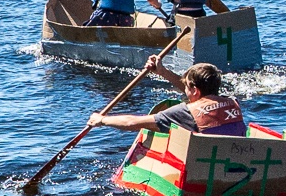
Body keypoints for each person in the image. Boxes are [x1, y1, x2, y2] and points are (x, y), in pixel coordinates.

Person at [87, 56, 246, 136]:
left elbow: (132, 122)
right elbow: (195, 94)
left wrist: (102, 120)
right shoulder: (232, 102)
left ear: (195, 90)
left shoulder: (184, 113)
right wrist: (162, 71)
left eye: (186, 87)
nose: (184, 90)